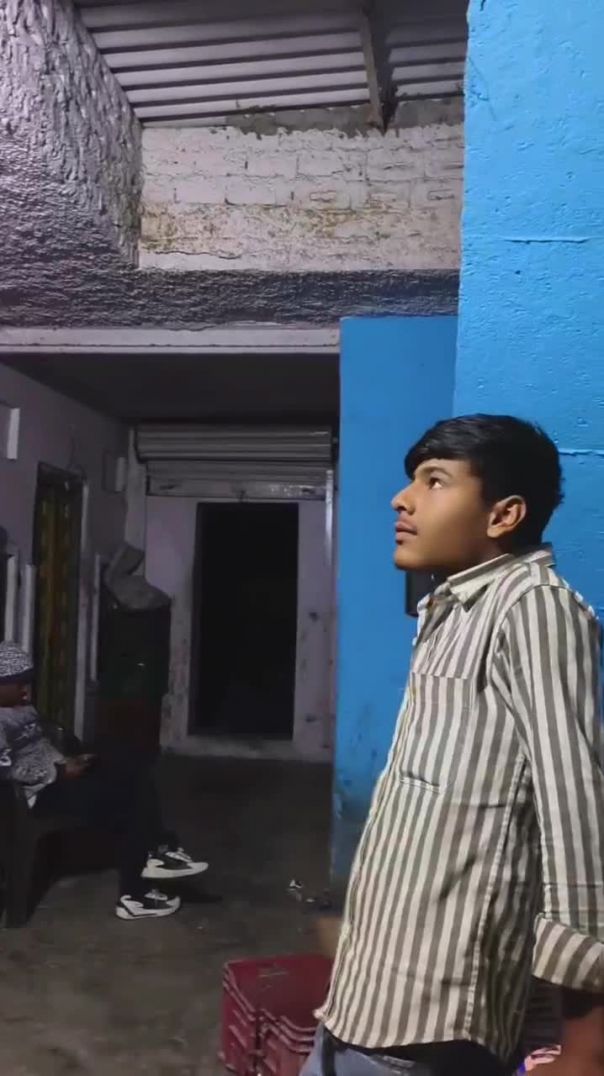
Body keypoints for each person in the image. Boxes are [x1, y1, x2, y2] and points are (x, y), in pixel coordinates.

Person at [304, 416, 604, 1076]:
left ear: (504, 515)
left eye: (434, 481)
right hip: (377, 985)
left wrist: (586, 1048)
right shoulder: (454, 607)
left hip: (432, 1014)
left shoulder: (534, 608)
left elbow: (578, 813)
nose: (402, 499)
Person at [0, 642, 208, 920]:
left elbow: (39, 747)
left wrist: (67, 760)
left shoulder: (19, 707)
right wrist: (59, 773)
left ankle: (157, 854)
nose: (26, 691)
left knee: (129, 764)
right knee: (130, 796)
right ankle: (143, 880)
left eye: (27, 683)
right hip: (35, 797)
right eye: (19, 684)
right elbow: (7, 769)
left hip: (55, 778)